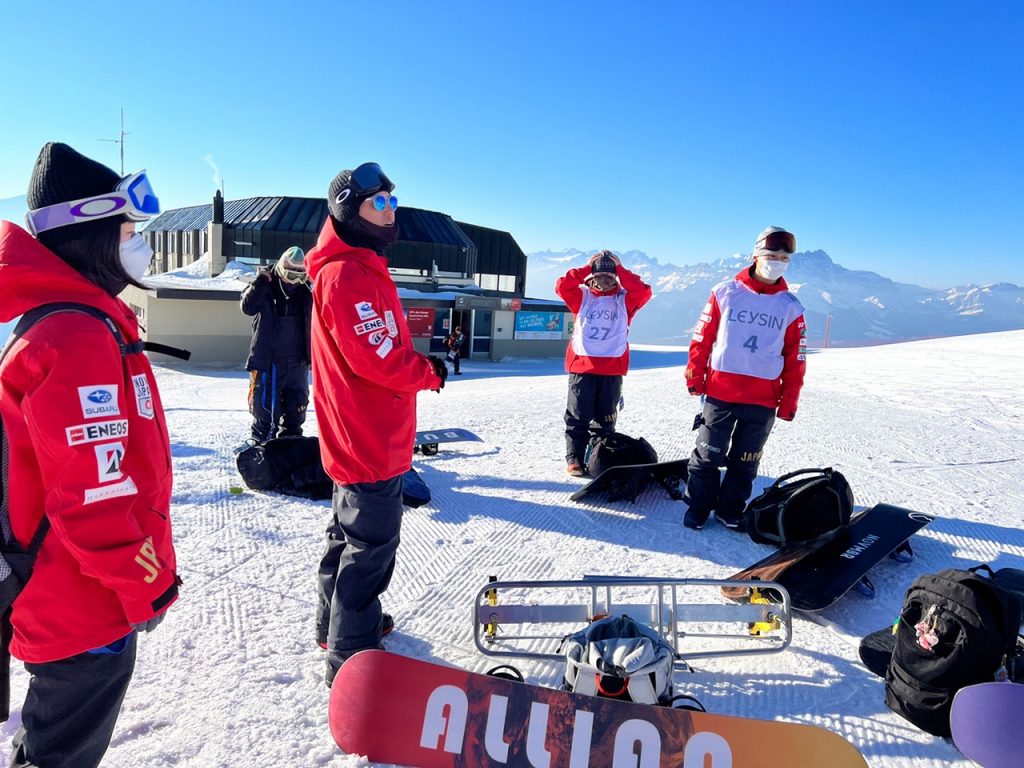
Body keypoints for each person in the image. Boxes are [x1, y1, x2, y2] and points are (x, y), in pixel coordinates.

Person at [0, 142, 180, 767]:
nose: (142, 242)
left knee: (55, 736)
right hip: (82, 604)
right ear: (91, 237)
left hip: (73, 595)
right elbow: (93, 499)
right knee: (61, 750)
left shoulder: (84, 322)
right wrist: (146, 583)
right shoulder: (74, 336)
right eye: (129, 229)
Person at [306, 162, 446, 687]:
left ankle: (336, 625)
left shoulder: (356, 267)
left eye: (392, 201)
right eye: (377, 203)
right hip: (368, 437)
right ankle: (350, 655)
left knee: (347, 537)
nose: (390, 211)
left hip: (359, 434)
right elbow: (379, 357)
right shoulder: (347, 274)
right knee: (370, 551)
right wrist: (428, 372)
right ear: (348, 210)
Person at [682, 226, 807, 531]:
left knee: (745, 461)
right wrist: (695, 374)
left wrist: (789, 401)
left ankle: (729, 509)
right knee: (708, 455)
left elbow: (796, 359)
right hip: (720, 393)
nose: (776, 261)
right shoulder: (725, 292)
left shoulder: (791, 306)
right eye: (770, 255)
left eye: (782, 257)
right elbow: (702, 338)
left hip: (763, 399)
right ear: (756, 256)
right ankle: (699, 506)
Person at [555, 250, 653, 476]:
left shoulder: (625, 300)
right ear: (592, 276)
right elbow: (562, 286)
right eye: (599, 275)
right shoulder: (582, 297)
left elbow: (644, 291)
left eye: (610, 275)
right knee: (578, 417)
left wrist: (620, 268)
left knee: (606, 420)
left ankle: (600, 458)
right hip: (582, 366)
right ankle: (575, 458)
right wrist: (586, 267)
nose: (604, 279)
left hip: (612, 368)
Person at [240, 246, 313, 442]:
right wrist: (260, 282)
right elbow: (247, 307)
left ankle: (290, 457)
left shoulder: (306, 291)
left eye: (301, 275)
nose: (295, 281)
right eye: (291, 274)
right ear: (281, 268)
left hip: (298, 363)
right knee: (265, 415)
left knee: (295, 415)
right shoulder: (266, 286)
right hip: (269, 362)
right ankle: (260, 460)